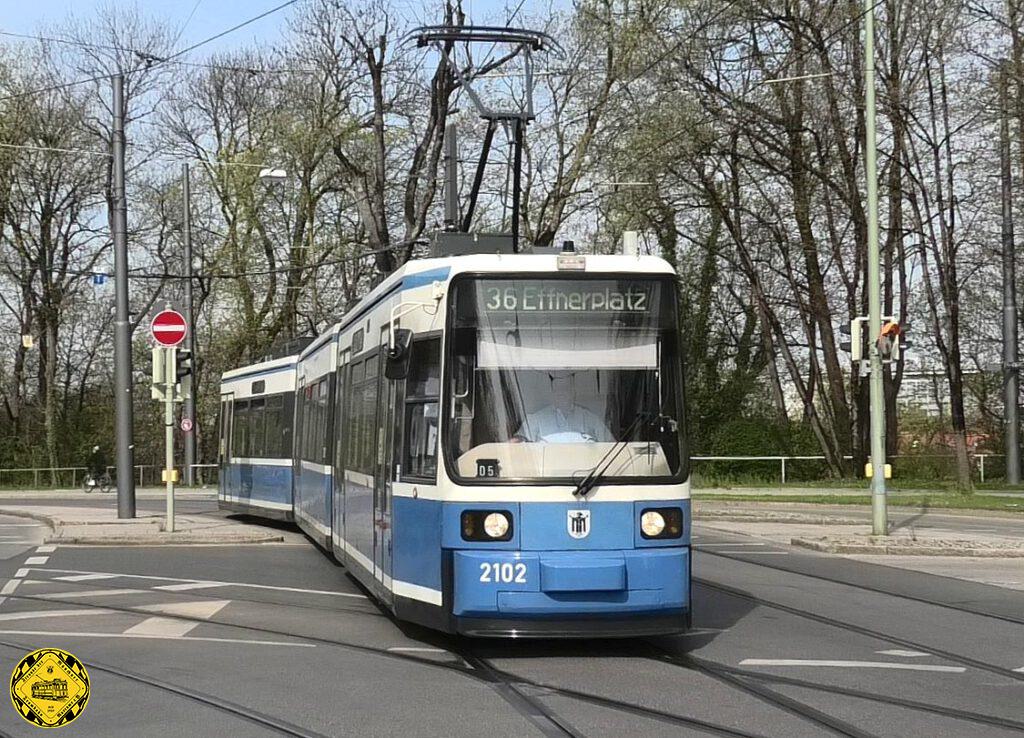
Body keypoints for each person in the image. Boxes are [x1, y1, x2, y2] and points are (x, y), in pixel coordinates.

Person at [514, 373, 614, 443]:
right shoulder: (536, 419)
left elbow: (611, 446)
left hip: (588, 472)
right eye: (558, 389)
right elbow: (517, 443)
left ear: (573, 392)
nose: (561, 393)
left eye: (565, 389)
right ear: (552, 393)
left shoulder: (589, 418)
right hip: (544, 472)